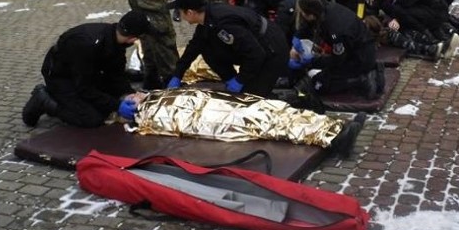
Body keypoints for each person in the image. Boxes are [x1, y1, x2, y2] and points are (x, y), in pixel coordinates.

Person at [135, 87, 366, 159]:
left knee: (272, 109)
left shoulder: (157, 93)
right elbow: (183, 122)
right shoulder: (147, 112)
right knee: (266, 122)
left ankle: (334, 126)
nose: (134, 95)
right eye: (131, 97)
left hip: (226, 104)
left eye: (133, 94)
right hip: (215, 117)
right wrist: (141, 108)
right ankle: (334, 137)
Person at [21, 10, 153, 128]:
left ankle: (67, 102)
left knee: (106, 102)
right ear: (133, 38)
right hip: (60, 76)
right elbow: (84, 88)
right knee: (92, 118)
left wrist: (127, 94)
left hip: (86, 74)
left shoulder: (115, 41)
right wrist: (117, 106)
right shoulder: (87, 44)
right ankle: (45, 100)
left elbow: (116, 75)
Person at [166, 0, 290, 98]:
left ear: (190, 12)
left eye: (180, 13)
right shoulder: (207, 20)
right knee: (206, 48)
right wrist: (177, 74)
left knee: (249, 99)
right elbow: (193, 48)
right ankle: (233, 79)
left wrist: (240, 80)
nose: (180, 17)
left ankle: (278, 98)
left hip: (272, 49)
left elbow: (256, 54)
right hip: (256, 46)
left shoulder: (224, 24)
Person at [291, 0, 383, 101]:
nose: (302, 15)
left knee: (319, 85)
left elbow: (338, 59)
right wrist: (296, 42)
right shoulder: (326, 9)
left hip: (359, 58)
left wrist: (313, 62)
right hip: (356, 50)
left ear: (311, 14)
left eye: (304, 13)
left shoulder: (335, 29)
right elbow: (309, 24)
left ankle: (361, 79)